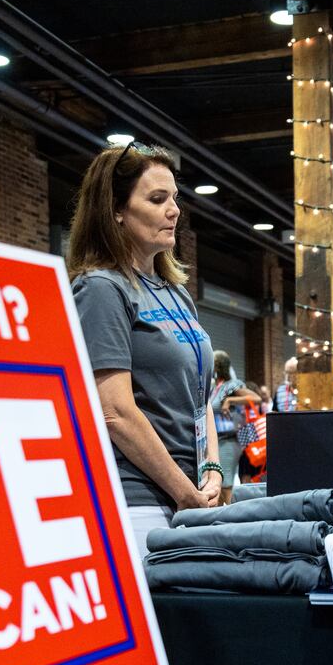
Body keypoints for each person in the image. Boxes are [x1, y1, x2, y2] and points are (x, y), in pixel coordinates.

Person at [67, 141, 222, 559]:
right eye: (157, 199)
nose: (174, 210)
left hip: (189, 496)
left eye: (174, 198)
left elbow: (200, 393)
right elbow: (114, 412)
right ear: (115, 210)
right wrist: (183, 491)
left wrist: (211, 467)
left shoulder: (176, 294)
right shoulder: (101, 289)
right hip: (137, 502)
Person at [208, 351, 258, 503]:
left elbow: (255, 398)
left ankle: (232, 517)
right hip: (218, 439)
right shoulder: (214, 387)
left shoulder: (231, 385)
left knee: (225, 483)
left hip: (231, 439)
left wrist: (230, 400)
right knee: (219, 482)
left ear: (217, 365)